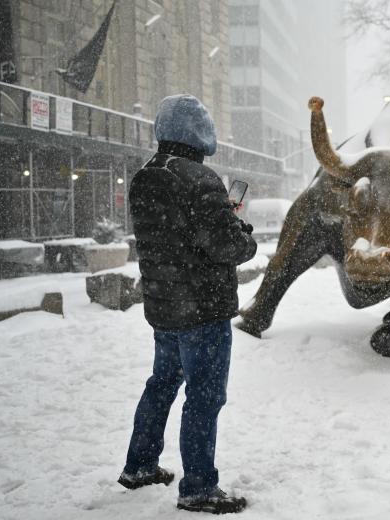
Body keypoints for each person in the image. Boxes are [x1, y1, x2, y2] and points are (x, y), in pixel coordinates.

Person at [118, 94, 257, 514]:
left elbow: (173, 238)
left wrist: (219, 222)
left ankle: (140, 465)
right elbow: (226, 245)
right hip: (202, 310)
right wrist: (241, 232)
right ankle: (198, 487)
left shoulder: (145, 176)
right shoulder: (200, 179)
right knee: (205, 397)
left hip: (164, 308)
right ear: (201, 133)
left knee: (161, 384)